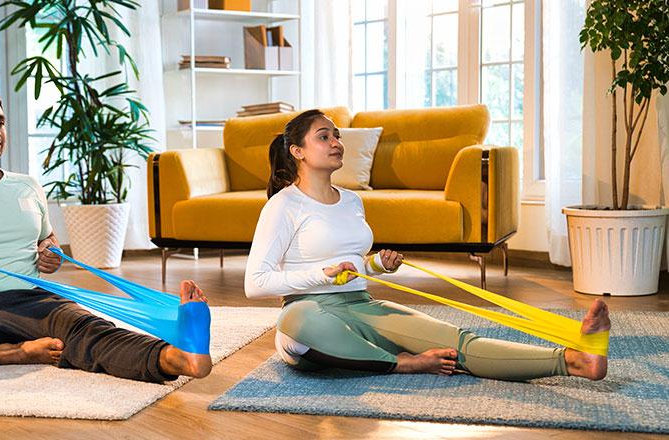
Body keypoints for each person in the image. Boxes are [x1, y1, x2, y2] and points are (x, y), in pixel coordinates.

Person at [0, 89, 211, 382]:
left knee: (88, 330)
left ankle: (176, 359)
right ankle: (6, 354)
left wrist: (51, 254)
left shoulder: (27, 186)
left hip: (35, 303)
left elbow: (49, 241)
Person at [244, 109, 609, 381]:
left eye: (337, 135)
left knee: (457, 341)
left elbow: (354, 265)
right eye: (324, 137)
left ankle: (574, 361)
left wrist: (376, 266)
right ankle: (404, 363)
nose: (337, 143)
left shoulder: (352, 201)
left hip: (362, 305)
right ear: (297, 152)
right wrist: (321, 275)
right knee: (298, 319)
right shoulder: (283, 205)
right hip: (310, 320)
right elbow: (255, 283)